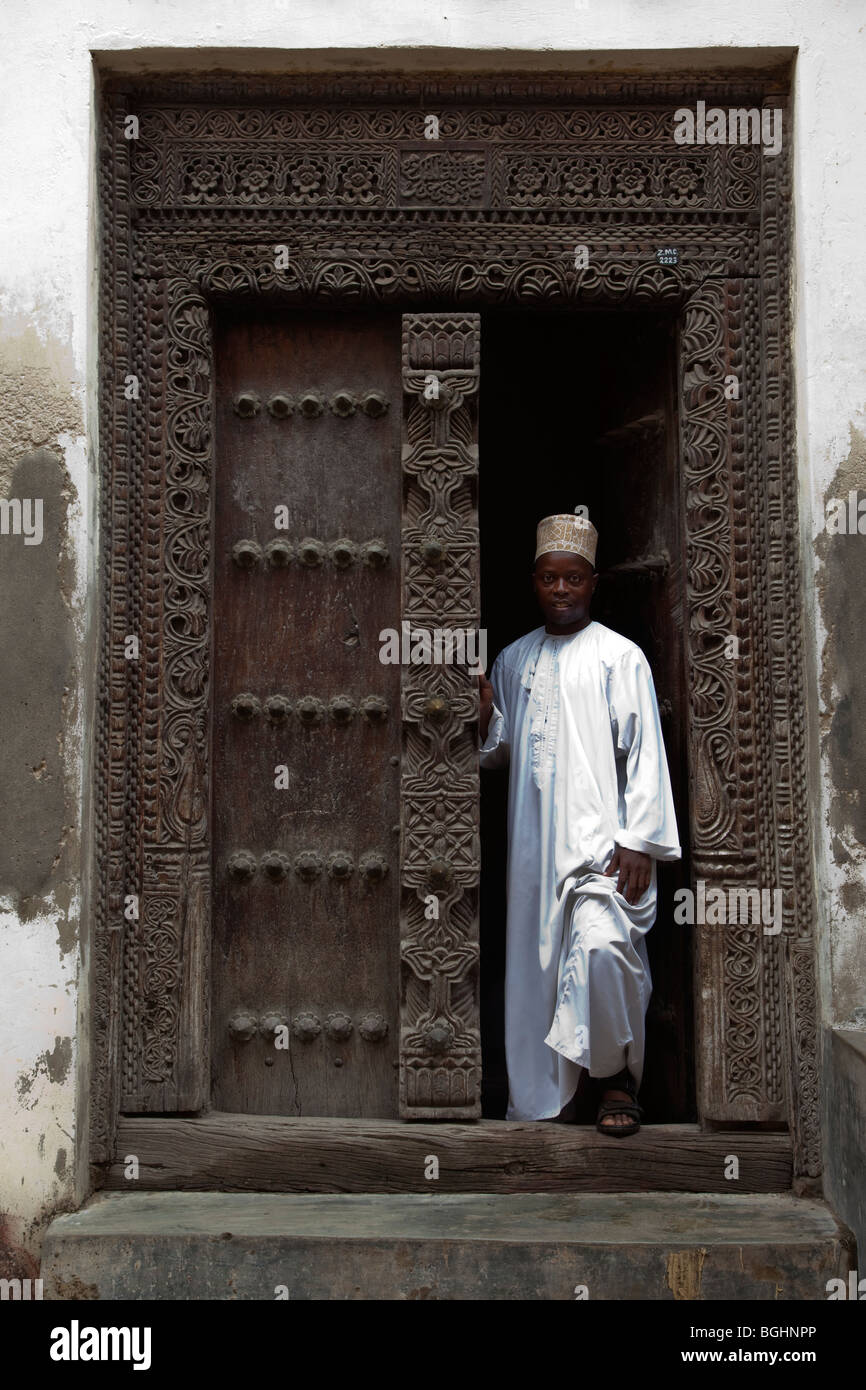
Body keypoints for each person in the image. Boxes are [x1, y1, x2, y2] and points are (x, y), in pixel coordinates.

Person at [478, 513, 681, 1135]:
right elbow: (501, 752)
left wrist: (640, 840)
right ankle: (548, 1103)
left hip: (603, 850)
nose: (560, 589)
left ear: (593, 583)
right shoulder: (515, 658)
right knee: (536, 976)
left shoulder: (620, 656)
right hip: (533, 855)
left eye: (572, 578)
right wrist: (486, 718)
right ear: (534, 583)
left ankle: (615, 1081)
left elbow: (643, 748)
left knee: (601, 951)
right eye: (548, 578)